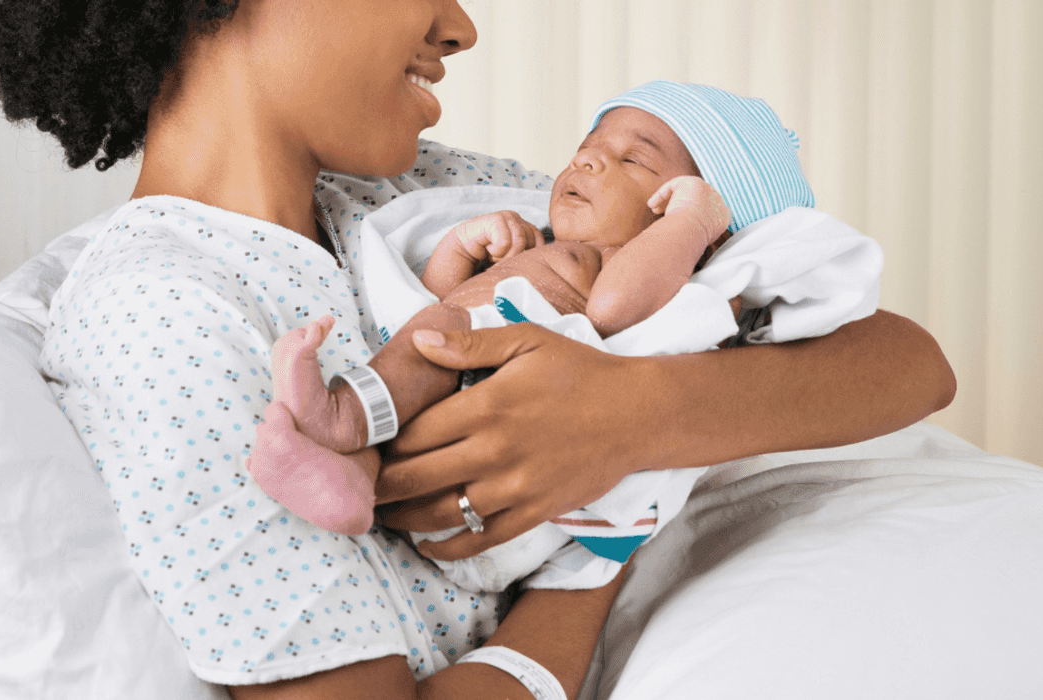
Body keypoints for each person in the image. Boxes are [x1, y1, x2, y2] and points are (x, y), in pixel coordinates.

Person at [0, 1, 955, 698]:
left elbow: (909, 363)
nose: (461, 24)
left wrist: (634, 419)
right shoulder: (164, 317)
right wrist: (600, 555)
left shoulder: (426, 191)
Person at [256, 81, 883, 593]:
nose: (587, 159)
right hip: (448, 423)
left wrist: (689, 225)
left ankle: (342, 415)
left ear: (697, 220)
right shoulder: (549, 243)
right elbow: (436, 297)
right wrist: (459, 248)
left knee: (441, 338)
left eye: (633, 159)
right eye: (589, 145)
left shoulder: (640, 272)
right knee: (437, 335)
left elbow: (613, 311)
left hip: (503, 442)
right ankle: (349, 480)